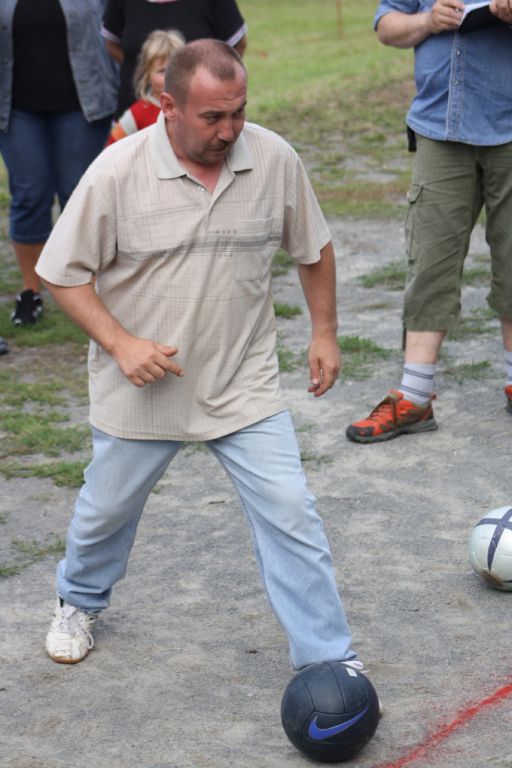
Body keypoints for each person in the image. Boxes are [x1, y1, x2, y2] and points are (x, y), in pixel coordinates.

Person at [36, 40, 370, 687]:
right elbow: (61, 272)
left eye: (238, 112)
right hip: (143, 383)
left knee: (290, 511)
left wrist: (325, 332)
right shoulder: (117, 171)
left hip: (242, 381)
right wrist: (121, 343)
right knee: (106, 512)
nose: (229, 130)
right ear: (168, 106)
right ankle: (78, 600)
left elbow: (314, 247)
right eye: (213, 117)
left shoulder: (273, 158)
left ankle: (327, 657)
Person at [346, 0, 512, 443]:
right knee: (429, 262)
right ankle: (415, 398)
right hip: (439, 127)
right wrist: (428, 20)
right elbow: (387, 25)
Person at [0, 0, 118, 328]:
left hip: (83, 105)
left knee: (79, 197)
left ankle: (87, 290)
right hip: (16, 109)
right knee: (29, 194)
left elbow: (117, 29)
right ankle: (30, 291)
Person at [101, 0, 247, 116]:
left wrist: (211, 84)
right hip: (135, 110)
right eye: (163, 71)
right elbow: (112, 43)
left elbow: (237, 46)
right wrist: (144, 72)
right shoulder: (134, 118)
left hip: (202, 115)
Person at [106, 28, 184, 145]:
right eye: (162, 71)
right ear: (147, 75)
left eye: (175, 69)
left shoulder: (193, 107)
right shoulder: (137, 114)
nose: (170, 76)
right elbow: (111, 148)